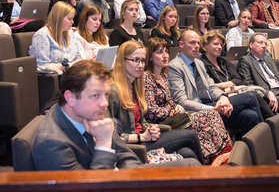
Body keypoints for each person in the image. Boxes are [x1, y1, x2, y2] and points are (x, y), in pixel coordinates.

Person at [31, 59, 200, 170]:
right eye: (95, 95)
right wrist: (104, 143)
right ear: (70, 97)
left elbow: (126, 156)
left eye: (106, 95)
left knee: (190, 164)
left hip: (119, 178)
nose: (104, 103)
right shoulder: (51, 143)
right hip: (102, 184)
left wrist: (139, 179)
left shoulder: (90, 112)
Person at [108, 41, 205, 164]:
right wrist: (141, 137)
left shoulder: (135, 86)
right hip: (133, 147)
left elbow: (141, 121)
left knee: (187, 153)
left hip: (144, 137)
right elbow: (110, 136)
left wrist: (151, 128)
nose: (140, 65)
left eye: (143, 61)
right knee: (191, 136)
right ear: (122, 61)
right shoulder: (113, 91)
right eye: (135, 60)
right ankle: (210, 177)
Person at [143, 37, 232, 164]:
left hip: (175, 116)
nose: (165, 55)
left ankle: (224, 153)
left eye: (166, 51)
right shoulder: (146, 78)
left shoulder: (164, 75)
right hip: (161, 123)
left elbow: (170, 100)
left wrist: (176, 106)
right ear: (150, 57)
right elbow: (151, 111)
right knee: (207, 115)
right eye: (159, 52)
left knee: (212, 114)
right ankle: (216, 157)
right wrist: (171, 110)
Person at [169, 30, 263, 137]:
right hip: (195, 111)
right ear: (181, 44)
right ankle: (265, 138)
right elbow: (181, 101)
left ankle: (250, 150)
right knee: (250, 97)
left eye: (198, 43)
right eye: (192, 42)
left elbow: (211, 87)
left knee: (250, 115)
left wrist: (223, 97)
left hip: (211, 104)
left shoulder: (199, 63)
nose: (196, 46)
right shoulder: (174, 66)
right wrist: (212, 109)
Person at [200, 30, 274, 119]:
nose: (219, 47)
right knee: (252, 95)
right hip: (218, 100)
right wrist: (230, 87)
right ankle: (272, 122)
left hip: (232, 95)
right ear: (205, 46)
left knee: (251, 115)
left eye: (221, 44)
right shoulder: (201, 64)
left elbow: (238, 79)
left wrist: (226, 87)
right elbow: (208, 87)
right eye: (215, 44)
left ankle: (267, 127)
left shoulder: (223, 61)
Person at [29, 2, 85, 74]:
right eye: (69, 19)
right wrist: (67, 66)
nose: (72, 22)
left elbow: (79, 58)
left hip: (72, 73)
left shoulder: (70, 33)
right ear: (59, 18)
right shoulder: (42, 35)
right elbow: (42, 66)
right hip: (55, 77)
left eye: (72, 18)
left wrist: (68, 66)